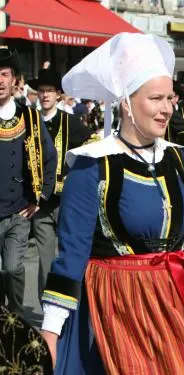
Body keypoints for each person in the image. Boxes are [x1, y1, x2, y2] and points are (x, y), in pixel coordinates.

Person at [39, 33, 184, 374]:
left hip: (173, 301)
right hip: (118, 305)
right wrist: (51, 330)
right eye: (156, 98)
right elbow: (72, 252)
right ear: (126, 102)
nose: (167, 108)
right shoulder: (92, 163)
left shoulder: (174, 157)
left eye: (169, 98)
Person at [27, 68, 95, 303]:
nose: (45, 95)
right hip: (41, 204)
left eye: (49, 91)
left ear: (58, 95)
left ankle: (72, 308)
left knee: (71, 256)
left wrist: (76, 174)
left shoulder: (70, 121)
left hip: (67, 200)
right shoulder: (29, 121)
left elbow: (92, 143)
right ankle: (47, 312)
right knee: (45, 261)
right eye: (41, 91)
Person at [0, 48, 57, 316]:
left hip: (18, 210)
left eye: (4, 74)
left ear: (14, 81)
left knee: (12, 268)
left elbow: (49, 157)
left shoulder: (31, 117)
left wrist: (40, 196)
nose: (0, 81)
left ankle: (17, 315)